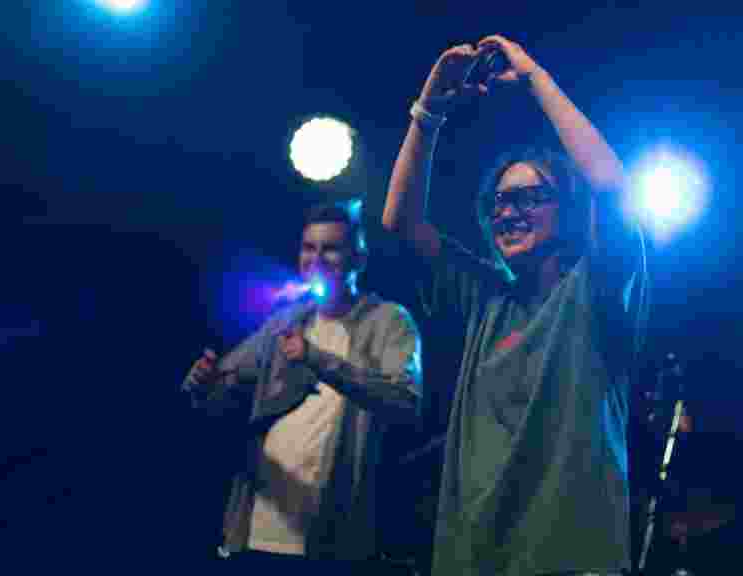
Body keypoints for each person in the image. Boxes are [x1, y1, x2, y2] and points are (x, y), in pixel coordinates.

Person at [382, 35, 649, 576]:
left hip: (571, 559)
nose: (508, 212)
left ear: (568, 209)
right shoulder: (486, 296)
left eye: (530, 197)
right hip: (472, 559)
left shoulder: (596, 287)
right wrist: (428, 111)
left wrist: (534, 78)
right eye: (500, 201)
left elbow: (611, 187)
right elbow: (400, 222)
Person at [182, 199, 423, 574]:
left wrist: (316, 358)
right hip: (259, 528)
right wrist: (202, 382)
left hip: (332, 541)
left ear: (358, 259)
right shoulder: (285, 323)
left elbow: (406, 402)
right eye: (309, 248)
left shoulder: (388, 321)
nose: (317, 260)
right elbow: (220, 392)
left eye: (331, 249)